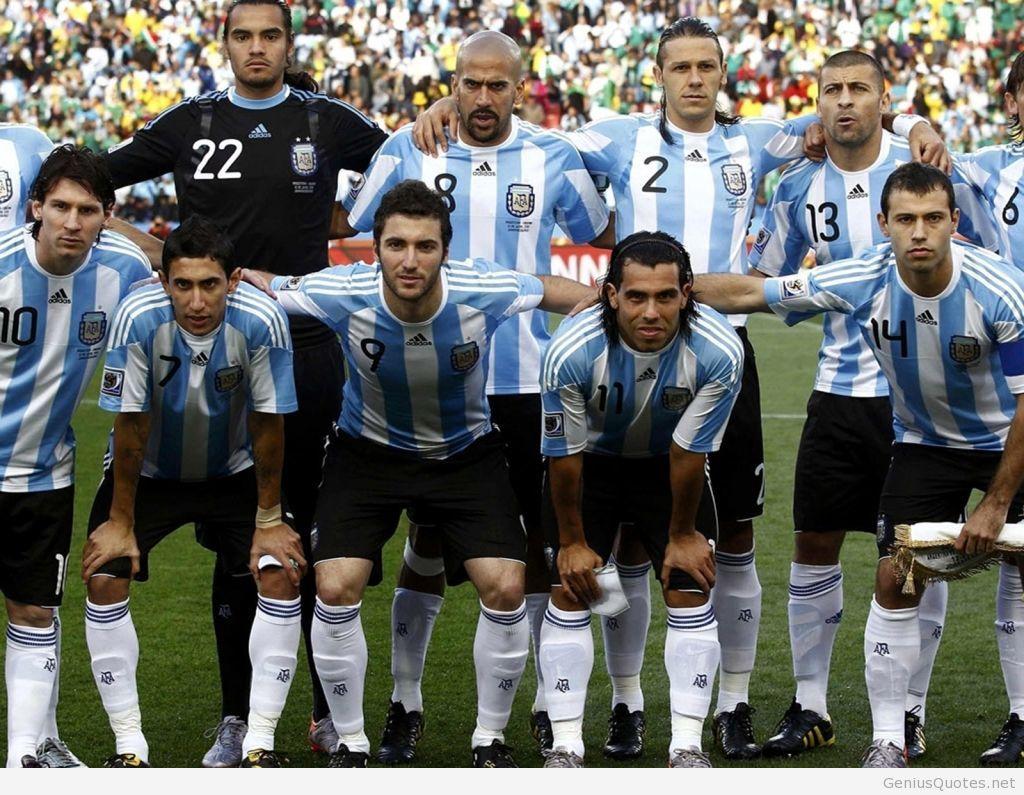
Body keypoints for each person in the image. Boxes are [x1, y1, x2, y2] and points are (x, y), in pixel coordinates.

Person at [102, 0, 388, 765]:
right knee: (243, 544)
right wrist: (142, 244)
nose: (256, 48)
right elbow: (95, 177)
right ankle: (238, 719)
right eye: (243, 35)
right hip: (217, 357)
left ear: (289, 44)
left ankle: (331, 717)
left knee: (315, 540)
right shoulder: (187, 122)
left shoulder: (328, 119)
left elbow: (409, 167)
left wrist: (428, 130)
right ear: (224, 43)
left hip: (311, 348)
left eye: (269, 35)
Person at [251, 179, 595, 768]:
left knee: (507, 588)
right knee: (334, 587)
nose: (410, 261)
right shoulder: (340, 290)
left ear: (445, 249)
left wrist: (614, 306)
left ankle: (489, 739)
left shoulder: (482, 287)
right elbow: (265, 288)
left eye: (425, 246)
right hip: (367, 456)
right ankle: (353, 743)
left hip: (466, 454)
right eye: (395, 245)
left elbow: (560, 291)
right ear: (375, 247)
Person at [693, 162, 1024, 768]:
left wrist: (997, 503)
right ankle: (889, 739)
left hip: (1012, 441)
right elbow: (750, 292)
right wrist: (665, 288)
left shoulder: (999, 290)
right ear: (884, 224)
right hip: (928, 444)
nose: (918, 232)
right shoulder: (862, 276)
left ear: (954, 222)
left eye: (932, 218)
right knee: (897, 577)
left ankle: (1023, 719)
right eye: (904, 219)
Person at [335, 29, 609, 762]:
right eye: (470, 84)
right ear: (452, 83)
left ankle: (553, 708)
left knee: (541, 556)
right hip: (429, 385)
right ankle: (404, 702)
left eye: (498, 85)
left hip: (527, 383)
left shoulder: (553, 156)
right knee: (423, 543)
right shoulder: (408, 145)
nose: (482, 98)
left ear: (522, 89)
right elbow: (353, 223)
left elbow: (598, 228)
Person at [744, 50, 996, 760]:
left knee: (916, 554)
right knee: (812, 541)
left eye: (860, 89)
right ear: (816, 103)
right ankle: (810, 705)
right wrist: (802, 283)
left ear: (887, 99)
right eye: (833, 90)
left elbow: (966, 258)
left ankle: (909, 711)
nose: (846, 101)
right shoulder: (795, 185)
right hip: (838, 390)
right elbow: (776, 289)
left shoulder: (924, 168)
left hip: (921, 401)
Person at [81, 215, 299, 768]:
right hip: (148, 472)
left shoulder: (262, 319)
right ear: (164, 282)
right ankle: (129, 747)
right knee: (104, 574)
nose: (197, 300)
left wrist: (269, 517)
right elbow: (129, 425)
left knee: (279, 570)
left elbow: (269, 424)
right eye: (183, 285)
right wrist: (121, 519)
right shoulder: (136, 317)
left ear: (235, 279)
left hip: (233, 470)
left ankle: (260, 744)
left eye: (210, 284)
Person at [539, 231, 743, 768]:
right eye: (636, 297)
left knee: (689, 584)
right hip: (592, 468)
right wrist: (573, 542)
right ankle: (565, 746)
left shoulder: (720, 351)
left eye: (665, 296)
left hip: (666, 468)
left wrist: (681, 535)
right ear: (611, 295)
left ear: (688, 293)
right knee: (572, 586)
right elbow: (565, 459)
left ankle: (686, 747)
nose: (651, 311)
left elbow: (687, 453)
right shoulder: (571, 351)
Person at [0, 144, 151, 767]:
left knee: (35, 612)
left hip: (43, 473)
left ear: (106, 216)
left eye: (88, 210)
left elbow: (183, 293)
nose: (72, 222)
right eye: (59, 206)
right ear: (34, 207)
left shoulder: (124, 271)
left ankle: (24, 759)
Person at [944, 49, 1024, 765]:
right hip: (1010, 382)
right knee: (1021, 560)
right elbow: (920, 163)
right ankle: (1022, 714)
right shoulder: (984, 169)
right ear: (1013, 99)